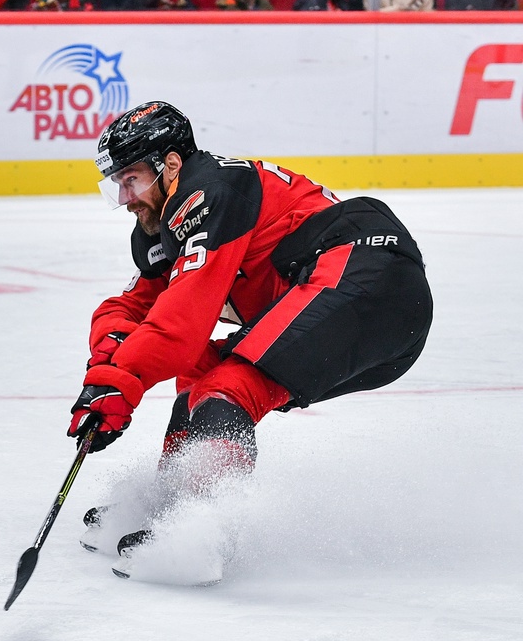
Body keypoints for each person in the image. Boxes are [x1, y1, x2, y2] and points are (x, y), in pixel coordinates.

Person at [69, 101, 432, 583]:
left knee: (230, 385)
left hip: (369, 275)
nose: (126, 196)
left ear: (171, 165)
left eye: (131, 178)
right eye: (117, 184)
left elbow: (180, 322)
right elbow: (134, 309)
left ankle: (205, 531)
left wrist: (121, 384)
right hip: (364, 301)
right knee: (201, 376)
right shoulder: (167, 223)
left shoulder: (210, 193)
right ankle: (174, 507)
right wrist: (105, 374)